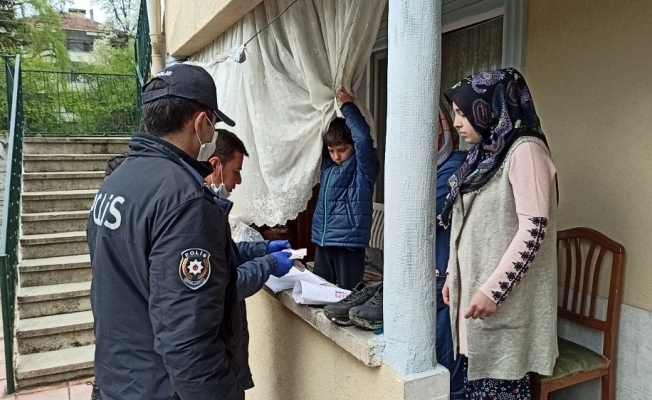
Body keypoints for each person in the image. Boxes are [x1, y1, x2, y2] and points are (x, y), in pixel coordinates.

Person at [87, 64, 244, 400]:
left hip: (116, 379)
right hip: (159, 387)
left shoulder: (118, 180)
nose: (213, 135)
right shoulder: (186, 199)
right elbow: (187, 339)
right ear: (200, 123)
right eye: (213, 124)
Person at [439, 68, 558, 399]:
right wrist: (452, 273)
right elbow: (467, 222)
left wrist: (494, 291)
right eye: (455, 113)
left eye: (463, 112)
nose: (457, 123)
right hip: (475, 296)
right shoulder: (484, 155)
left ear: (490, 108)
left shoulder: (525, 151)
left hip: (502, 301)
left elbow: (534, 230)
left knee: (501, 384)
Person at [203, 129, 294, 390]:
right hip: (216, 357)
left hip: (226, 351)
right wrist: (270, 263)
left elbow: (228, 255)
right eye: (236, 171)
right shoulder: (200, 214)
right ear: (215, 165)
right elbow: (226, 286)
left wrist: (263, 248)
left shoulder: (212, 207)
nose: (239, 180)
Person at [311, 89, 380, 290]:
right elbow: (318, 137)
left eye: (342, 150)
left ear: (353, 147)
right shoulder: (328, 166)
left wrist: (348, 107)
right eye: (332, 151)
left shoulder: (363, 168)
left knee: (349, 294)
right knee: (320, 292)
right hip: (324, 239)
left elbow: (363, 140)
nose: (336, 156)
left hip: (349, 241)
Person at [434, 103, 467, 400]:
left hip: (448, 271)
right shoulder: (434, 168)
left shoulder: (455, 164)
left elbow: (423, 211)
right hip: (438, 267)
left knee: (447, 345)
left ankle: (453, 393)